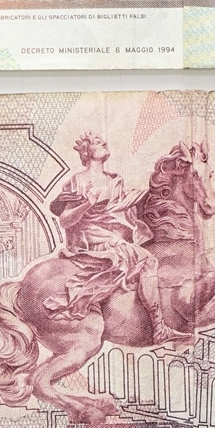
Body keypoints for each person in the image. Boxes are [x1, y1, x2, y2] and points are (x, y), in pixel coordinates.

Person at [45, 131, 190, 344]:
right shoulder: (79, 180)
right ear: (87, 151)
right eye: (97, 142)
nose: (104, 142)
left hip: (115, 239)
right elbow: (65, 220)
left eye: (103, 140)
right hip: (95, 241)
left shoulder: (114, 180)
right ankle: (159, 328)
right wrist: (88, 204)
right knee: (149, 260)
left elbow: (127, 205)